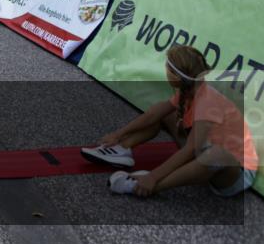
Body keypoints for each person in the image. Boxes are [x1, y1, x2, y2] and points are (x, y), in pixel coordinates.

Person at [82, 45, 257, 198]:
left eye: (167, 67)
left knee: (216, 154)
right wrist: (119, 135)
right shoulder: (190, 89)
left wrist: (154, 176)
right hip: (206, 150)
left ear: (177, 76)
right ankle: (123, 149)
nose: (165, 69)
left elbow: (190, 149)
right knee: (164, 114)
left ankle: (147, 186)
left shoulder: (207, 102)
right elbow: (154, 114)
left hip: (236, 172)